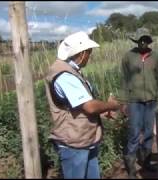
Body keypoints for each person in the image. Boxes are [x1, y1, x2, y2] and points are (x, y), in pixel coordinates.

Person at [44, 31, 120, 179]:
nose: (89, 57)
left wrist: (102, 111)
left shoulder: (71, 71)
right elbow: (89, 106)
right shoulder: (64, 75)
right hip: (74, 143)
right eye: (89, 53)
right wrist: (111, 105)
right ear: (82, 53)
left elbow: (78, 105)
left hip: (84, 140)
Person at [119, 27, 158, 178]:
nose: (143, 42)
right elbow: (124, 80)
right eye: (140, 40)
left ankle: (145, 163)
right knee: (134, 132)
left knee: (148, 133)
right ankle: (131, 167)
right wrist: (123, 101)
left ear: (148, 41)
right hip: (134, 101)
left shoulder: (156, 57)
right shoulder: (128, 56)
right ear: (136, 41)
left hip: (151, 100)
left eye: (145, 39)